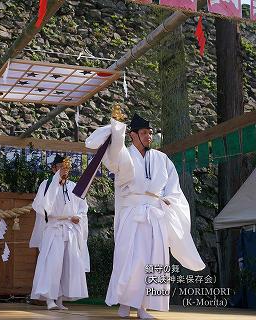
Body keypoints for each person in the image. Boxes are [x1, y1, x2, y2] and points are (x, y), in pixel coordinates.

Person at [85, 113, 206, 319]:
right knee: (129, 259)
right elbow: (105, 150)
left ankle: (143, 307)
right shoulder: (124, 155)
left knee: (153, 261)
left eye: (150, 133)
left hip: (155, 216)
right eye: (144, 133)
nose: (149, 136)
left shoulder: (161, 158)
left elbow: (173, 188)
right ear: (132, 135)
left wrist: (168, 200)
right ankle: (124, 303)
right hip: (132, 215)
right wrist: (116, 128)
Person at [30, 154, 90, 310]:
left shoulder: (74, 186)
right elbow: (41, 206)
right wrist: (56, 183)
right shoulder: (47, 184)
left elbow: (83, 207)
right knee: (52, 264)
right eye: (60, 167)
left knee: (67, 265)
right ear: (53, 168)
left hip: (69, 229)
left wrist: (78, 217)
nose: (64, 170)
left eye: (66, 168)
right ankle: (50, 299)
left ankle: (60, 300)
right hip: (54, 228)